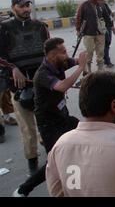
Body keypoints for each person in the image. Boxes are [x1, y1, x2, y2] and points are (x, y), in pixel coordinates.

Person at [13, 38, 87, 197]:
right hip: (49, 124)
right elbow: (62, 86)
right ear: (53, 55)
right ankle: (23, 189)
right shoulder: (43, 74)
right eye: (64, 52)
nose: (67, 55)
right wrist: (81, 67)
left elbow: (74, 61)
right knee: (54, 161)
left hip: (63, 116)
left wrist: (81, 59)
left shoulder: (60, 62)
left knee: (86, 132)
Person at [0, 0, 50, 175]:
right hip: (18, 87)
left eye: (27, 5)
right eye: (21, 6)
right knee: (28, 129)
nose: (26, 9)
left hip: (43, 85)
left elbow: (50, 54)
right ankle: (32, 161)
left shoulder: (40, 27)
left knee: (47, 122)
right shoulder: (4, 29)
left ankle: (53, 154)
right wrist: (13, 68)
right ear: (14, 7)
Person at [75, 0, 111, 73]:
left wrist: (111, 27)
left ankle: (100, 69)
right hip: (88, 33)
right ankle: (89, 70)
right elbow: (78, 18)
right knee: (89, 52)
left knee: (100, 52)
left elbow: (106, 17)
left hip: (100, 33)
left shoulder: (100, 5)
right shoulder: (84, 5)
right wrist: (78, 29)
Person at [97, 0, 115, 68]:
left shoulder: (104, 5)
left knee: (107, 44)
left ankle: (105, 60)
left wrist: (112, 26)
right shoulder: (96, 7)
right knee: (105, 44)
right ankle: (106, 61)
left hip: (108, 27)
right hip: (102, 28)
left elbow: (110, 17)